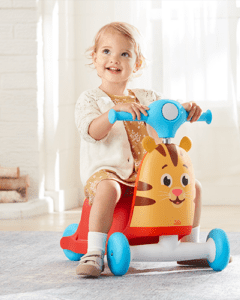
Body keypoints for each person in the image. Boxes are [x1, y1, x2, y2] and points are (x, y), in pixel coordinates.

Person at [74, 22, 203, 278]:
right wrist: (112, 114)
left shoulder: (146, 96)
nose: (115, 59)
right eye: (107, 52)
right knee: (108, 188)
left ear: (137, 63)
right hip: (107, 172)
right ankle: (95, 251)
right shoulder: (89, 99)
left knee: (194, 186)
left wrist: (186, 109)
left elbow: (169, 110)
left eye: (125, 54)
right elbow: (91, 132)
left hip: (146, 174)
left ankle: (189, 244)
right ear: (95, 57)